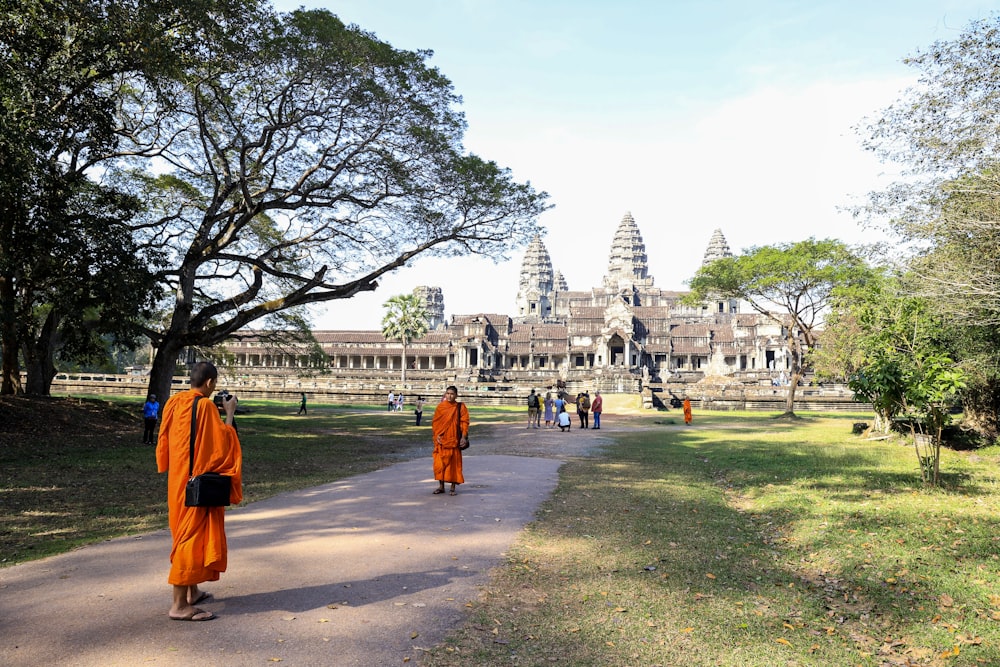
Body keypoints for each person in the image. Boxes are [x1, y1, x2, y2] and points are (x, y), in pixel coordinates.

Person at [156, 361, 243, 622]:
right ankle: (179, 605)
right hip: (197, 484)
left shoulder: (173, 402)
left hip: (178, 480)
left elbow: (164, 439)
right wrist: (229, 413)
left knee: (183, 533)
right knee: (190, 539)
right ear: (210, 383)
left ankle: (192, 592)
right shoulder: (204, 406)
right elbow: (221, 446)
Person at [431, 385, 468, 496]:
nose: (449, 396)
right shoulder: (440, 407)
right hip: (442, 440)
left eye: (452, 394)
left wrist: (463, 437)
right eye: (447, 393)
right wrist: (437, 434)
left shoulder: (460, 407)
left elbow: (464, 422)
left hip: (454, 439)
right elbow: (435, 423)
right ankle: (441, 486)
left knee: (454, 464)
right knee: (440, 463)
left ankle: (452, 488)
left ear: (456, 395)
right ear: (445, 394)